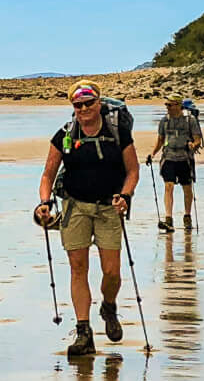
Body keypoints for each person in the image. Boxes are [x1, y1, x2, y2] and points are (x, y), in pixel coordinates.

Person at [36, 80, 138, 358]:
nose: (83, 109)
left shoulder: (119, 132)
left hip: (109, 208)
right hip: (75, 207)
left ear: (99, 103)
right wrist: (45, 202)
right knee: (78, 268)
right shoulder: (65, 134)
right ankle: (84, 332)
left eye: (88, 103)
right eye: (78, 105)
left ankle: (109, 305)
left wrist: (126, 196)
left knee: (111, 272)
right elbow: (47, 174)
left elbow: (132, 171)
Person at [148, 91, 200, 233]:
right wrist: (152, 154)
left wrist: (193, 145)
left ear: (178, 105)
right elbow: (160, 139)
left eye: (169, 105)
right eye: (166, 105)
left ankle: (187, 216)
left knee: (187, 187)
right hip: (169, 156)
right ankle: (169, 219)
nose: (167, 107)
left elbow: (197, 139)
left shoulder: (190, 120)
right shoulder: (164, 120)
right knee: (168, 186)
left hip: (185, 158)